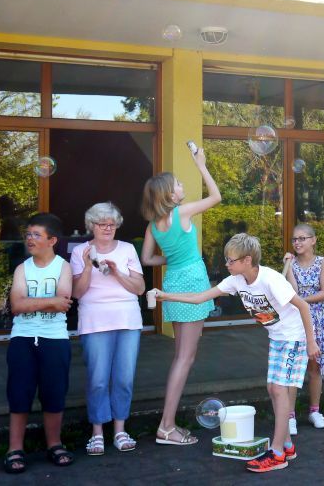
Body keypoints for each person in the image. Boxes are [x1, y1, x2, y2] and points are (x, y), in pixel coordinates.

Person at [155, 233, 320, 473]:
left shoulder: (271, 279)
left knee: (277, 389)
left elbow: (304, 306)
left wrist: (311, 342)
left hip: (294, 337)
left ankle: (276, 454)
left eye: (231, 260)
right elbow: (201, 297)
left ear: (247, 259)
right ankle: (286, 445)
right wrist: (166, 296)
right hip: (277, 337)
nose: (226, 264)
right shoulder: (236, 280)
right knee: (274, 390)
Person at [140, 146, 221, 446]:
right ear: (168, 195)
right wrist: (201, 165)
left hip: (173, 283)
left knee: (180, 357)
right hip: (192, 283)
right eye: (178, 184)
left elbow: (147, 260)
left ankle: (167, 424)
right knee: (185, 359)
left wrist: (173, 260)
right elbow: (216, 197)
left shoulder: (153, 225)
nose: (182, 187)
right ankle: (167, 427)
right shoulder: (181, 213)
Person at [70, 202, 145, 455]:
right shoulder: (81, 251)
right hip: (94, 320)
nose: (108, 228)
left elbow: (140, 288)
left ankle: (120, 429)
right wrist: (89, 266)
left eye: (112, 224)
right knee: (98, 380)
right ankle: (97, 433)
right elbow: (77, 293)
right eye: (102, 224)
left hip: (128, 319)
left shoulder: (126, 250)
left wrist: (117, 273)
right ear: (91, 225)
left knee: (124, 378)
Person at [3, 213, 74, 474]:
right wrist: (49, 302)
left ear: (52, 240)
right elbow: (17, 305)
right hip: (22, 339)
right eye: (28, 234)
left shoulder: (63, 267)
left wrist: (37, 303)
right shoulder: (22, 268)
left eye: (36, 235)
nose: (29, 239)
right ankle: (14, 448)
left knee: (54, 393)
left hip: (54, 339)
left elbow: (64, 301)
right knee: (19, 393)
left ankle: (54, 445)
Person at [283, 223, 324, 431]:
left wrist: (302, 301)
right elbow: (290, 289)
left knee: (315, 366)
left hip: (318, 318)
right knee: (294, 368)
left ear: (313, 240)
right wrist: (287, 265)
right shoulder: (291, 263)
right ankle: (290, 416)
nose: (297, 242)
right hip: (295, 319)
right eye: (295, 239)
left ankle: (314, 410)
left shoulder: (322, 262)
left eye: (302, 238)